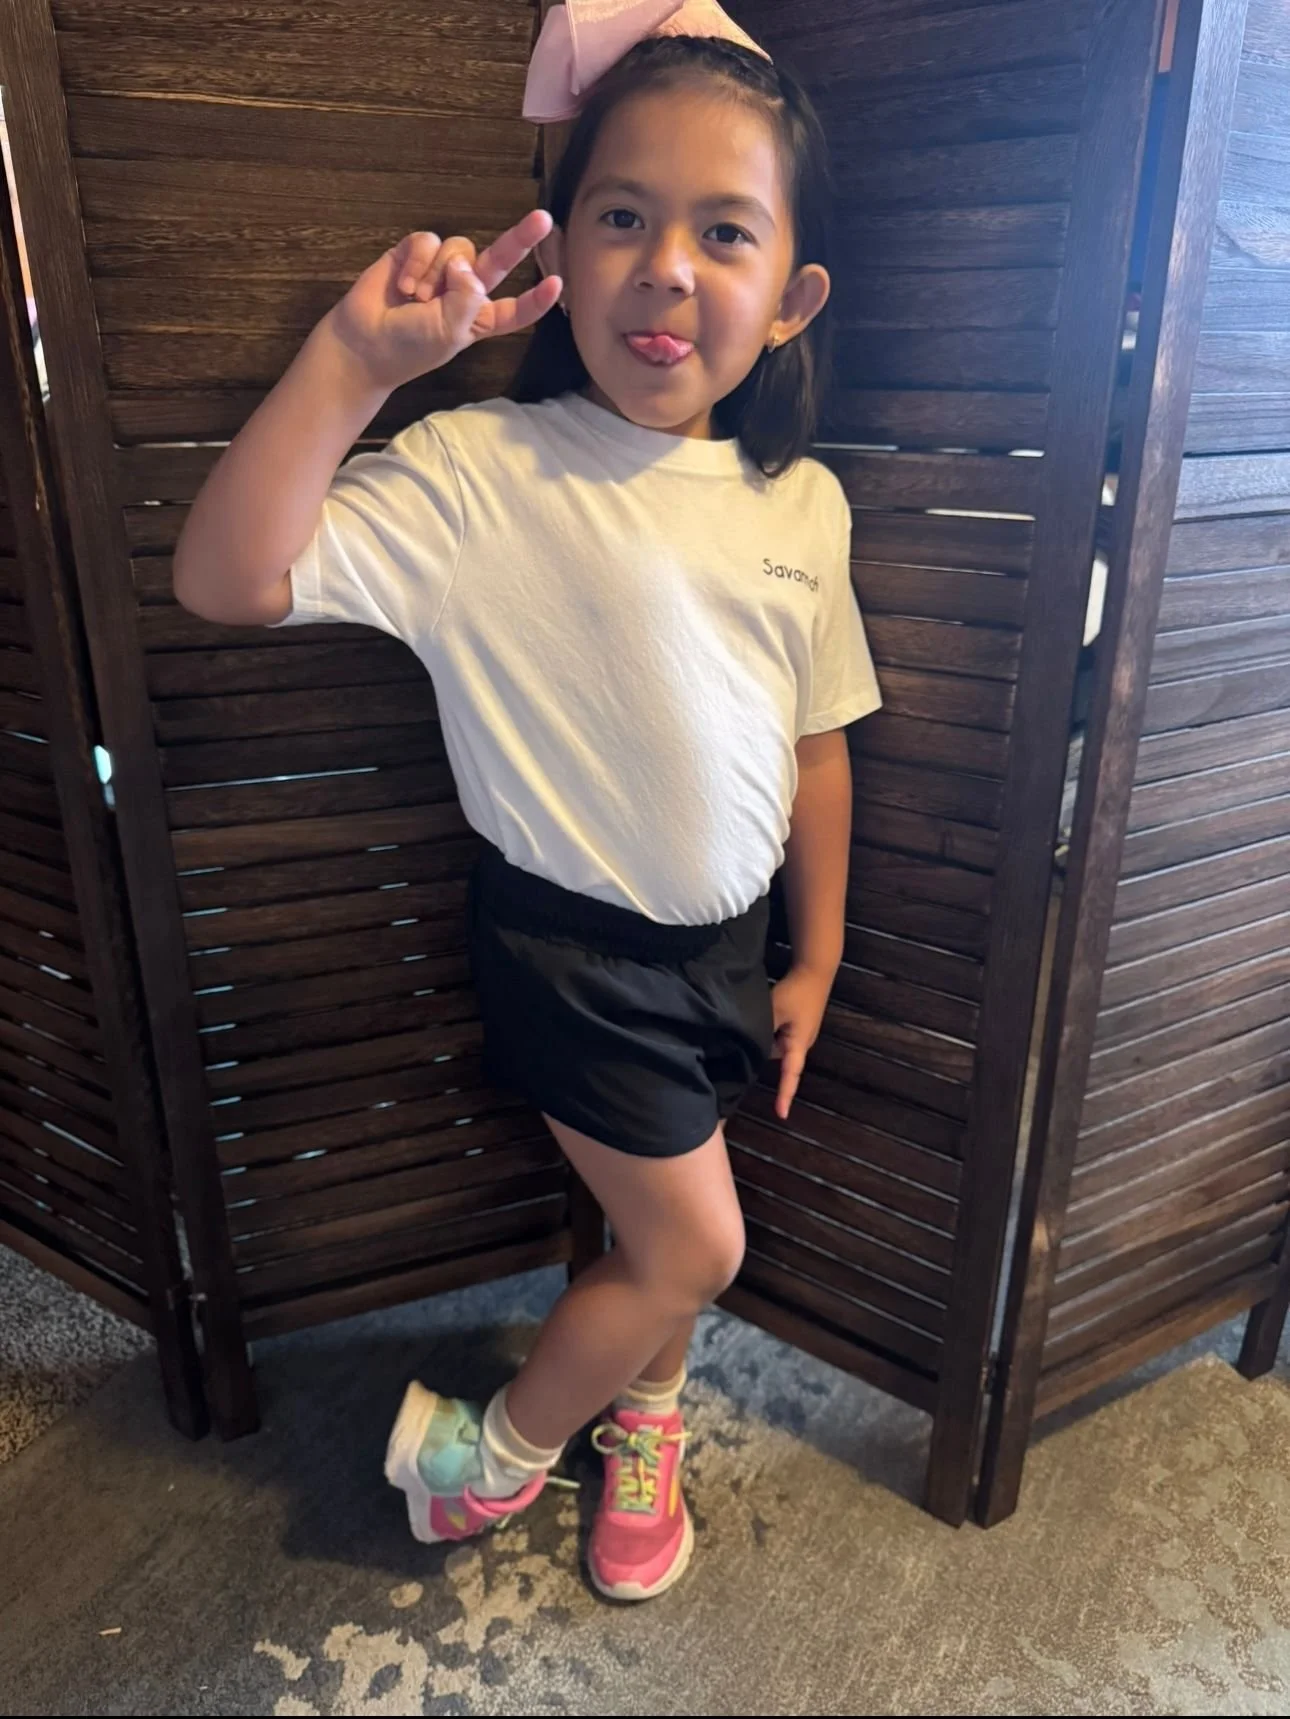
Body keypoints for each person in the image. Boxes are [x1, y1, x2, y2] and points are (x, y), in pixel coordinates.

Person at [173, 0, 881, 1604]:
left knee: (662, 1232)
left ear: (788, 300)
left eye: (724, 231)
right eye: (623, 216)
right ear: (563, 246)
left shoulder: (802, 506)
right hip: (569, 956)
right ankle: (490, 1452)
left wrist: (817, 956)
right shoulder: (481, 470)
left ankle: (646, 1413)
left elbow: (818, 742)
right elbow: (225, 575)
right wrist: (354, 363)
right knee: (698, 1244)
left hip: (728, 945)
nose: (668, 267)